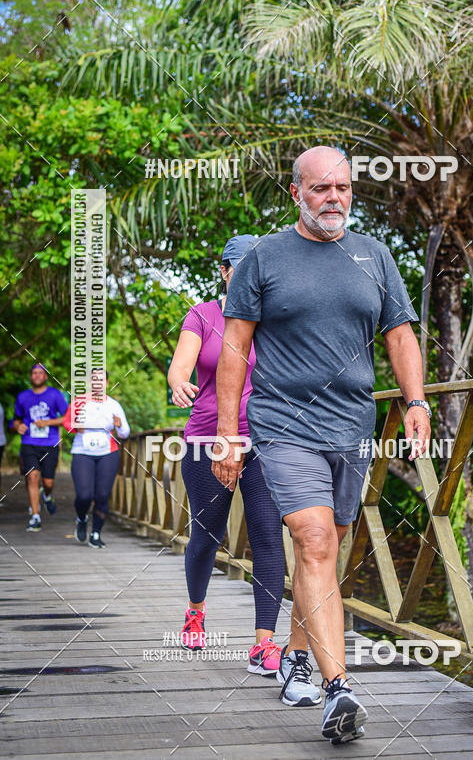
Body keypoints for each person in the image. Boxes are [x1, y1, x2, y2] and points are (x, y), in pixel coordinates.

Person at [216, 146, 431, 745]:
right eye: (321, 189)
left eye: (343, 188)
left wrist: (415, 401)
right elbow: (235, 349)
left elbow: (401, 334)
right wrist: (229, 435)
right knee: (312, 541)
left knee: (327, 552)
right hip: (284, 424)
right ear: (296, 193)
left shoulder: (374, 256)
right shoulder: (264, 258)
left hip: (353, 427)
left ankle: (297, 658)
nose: (334, 198)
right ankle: (340, 690)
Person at [168, 234, 286, 677]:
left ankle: (264, 643)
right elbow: (182, 364)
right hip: (205, 440)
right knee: (207, 535)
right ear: (224, 271)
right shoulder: (204, 315)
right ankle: (195, 609)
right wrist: (179, 382)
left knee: (267, 534)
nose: (252, 276)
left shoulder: (274, 319)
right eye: (242, 267)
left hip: (265, 442)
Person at [62, 370, 130, 548]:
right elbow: (67, 422)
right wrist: (77, 427)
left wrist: (119, 425)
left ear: (107, 383)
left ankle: (96, 534)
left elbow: (125, 433)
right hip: (82, 451)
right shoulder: (79, 402)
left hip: (108, 452)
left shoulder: (114, 405)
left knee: (102, 495)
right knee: (84, 495)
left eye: (102, 380)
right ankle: (82, 517)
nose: (98, 383)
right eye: (95, 380)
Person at [10, 363, 68, 531]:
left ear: (45, 377)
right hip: (29, 443)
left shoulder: (55, 395)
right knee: (32, 476)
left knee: (48, 482)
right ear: (31, 376)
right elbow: (16, 419)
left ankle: (47, 495)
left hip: (50, 443)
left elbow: (66, 418)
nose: (36, 375)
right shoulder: (23, 397)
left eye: (39, 373)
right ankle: (35, 516)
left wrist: (47, 422)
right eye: (33, 373)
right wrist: (17, 426)